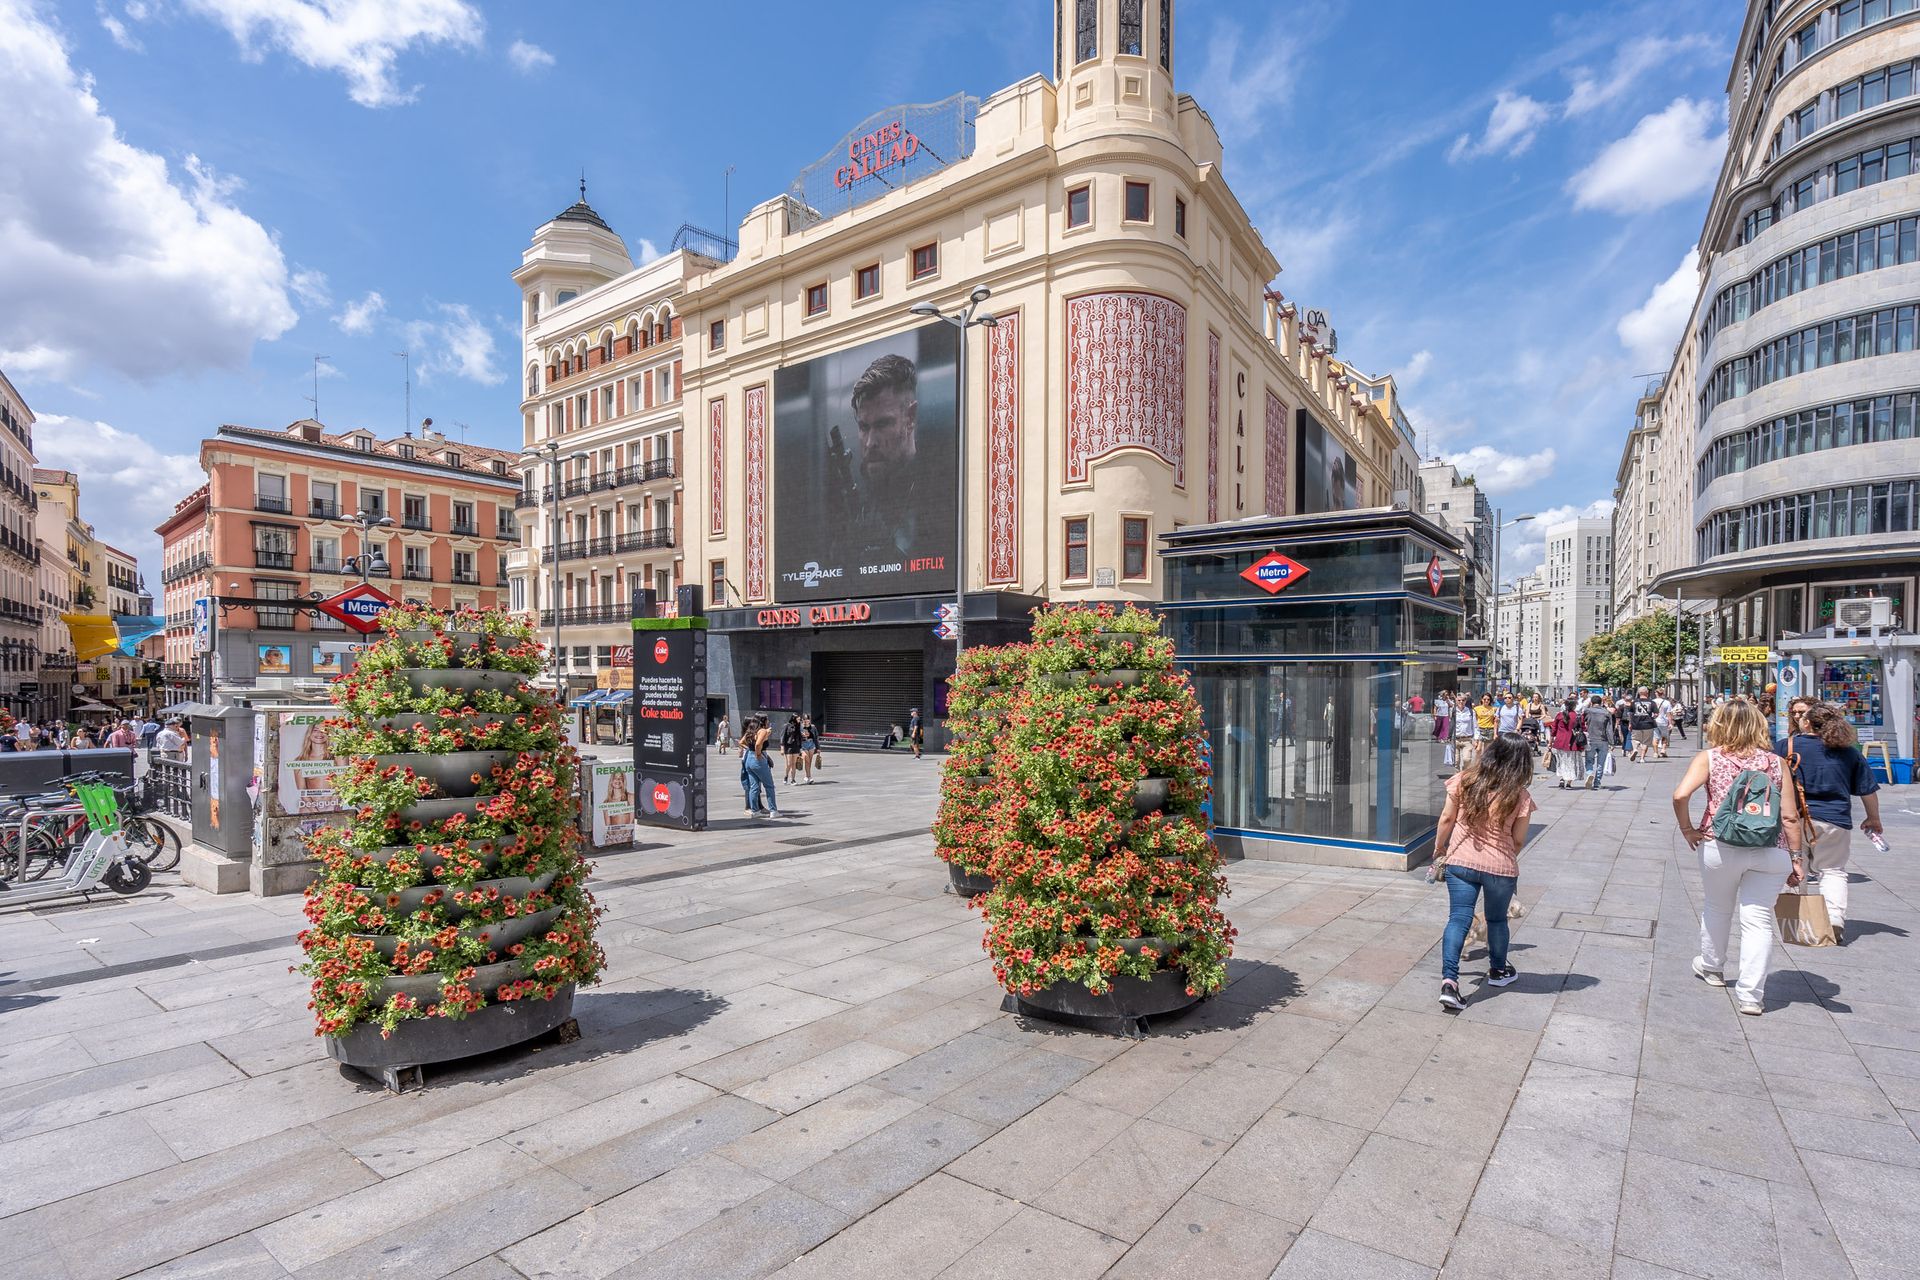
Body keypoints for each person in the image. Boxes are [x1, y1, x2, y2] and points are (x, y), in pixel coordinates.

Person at [1673, 697, 1803, 1013]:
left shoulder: (1710, 758)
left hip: (1720, 844)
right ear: (1759, 726)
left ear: (1718, 725)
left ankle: (1712, 967)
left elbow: (1680, 794)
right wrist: (1797, 859)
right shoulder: (1776, 763)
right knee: (1758, 921)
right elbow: (1789, 816)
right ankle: (1751, 996)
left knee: (1717, 907)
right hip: (1770, 849)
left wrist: (1688, 829)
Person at [1433, 732, 1536, 1010]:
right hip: (1500, 866)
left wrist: (1439, 848)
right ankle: (1498, 971)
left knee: (1458, 919)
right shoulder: (1520, 796)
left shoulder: (1465, 781)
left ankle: (1449, 983)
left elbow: (1446, 818)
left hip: (1461, 863)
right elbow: (1517, 840)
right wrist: (1503, 858)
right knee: (1497, 921)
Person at [1777, 700, 1882, 944]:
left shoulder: (1786, 746)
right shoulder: (1848, 752)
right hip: (1835, 819)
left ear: (1806, 722)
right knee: (1833, 870)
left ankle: (1796, 920)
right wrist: (1873, 817)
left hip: (1793, 817)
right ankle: (1834, 919)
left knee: (1793, 867)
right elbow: (1867, 790)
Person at [739, 716, 781, 819]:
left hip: (749, 759)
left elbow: (741, 742)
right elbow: (758, 744)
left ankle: (755, 811)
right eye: (767, 719)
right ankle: (773, 810)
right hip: (758, 760)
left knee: (754, 787)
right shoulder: (762, 731)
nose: (769, 721)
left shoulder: (751, 730)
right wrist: (758, 754)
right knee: (769, 786)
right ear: (763, 721)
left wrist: (750, 749)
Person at [1549, 697, 1584, 788]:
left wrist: (1550, 741)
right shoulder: (1577, 716)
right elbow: (1582, 728)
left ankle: (1562, 779)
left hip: (1560, 742)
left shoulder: (1560, 715)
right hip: (1572, 742)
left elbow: (1554, 729)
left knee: (1562, 761)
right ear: (1575, 706)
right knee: (1571, 762)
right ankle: (1568, 782)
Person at [1583, 695, 1616, 789]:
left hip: (1590, 739)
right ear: (1601, 702)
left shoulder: (1587, 711)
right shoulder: (1606, 713)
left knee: (1589, 760)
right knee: (1601, 763)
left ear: (1591, 703)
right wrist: (1612, 742)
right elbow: (1609, 729)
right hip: (1603, 740)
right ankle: (1597, 782)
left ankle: (1589, 773)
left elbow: (1582, 722)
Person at [1627, 687, 1657, 762]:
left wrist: (1630, 723)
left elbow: (1630, 714)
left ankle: (1635, 749)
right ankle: (1642, 758)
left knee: (1634, 739)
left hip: (1636, 724)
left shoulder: (1634, 702)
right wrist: (1652, 717)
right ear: (1647, 693)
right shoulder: (1652, 702)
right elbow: (1656, 714)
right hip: (1648, 724)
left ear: (1639, 693)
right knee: (1646, 742)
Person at [781, 715, 804, 784]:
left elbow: (800, 738)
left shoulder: (799, 726)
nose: (799, 720)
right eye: (798, 719)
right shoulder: (787, 726)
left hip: (796, 746)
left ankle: (793, 780)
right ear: (794, 719)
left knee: (794, 764)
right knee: (789, 764)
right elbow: (782, 736)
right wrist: (782, 747)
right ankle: (786, 776)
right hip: (788, 747)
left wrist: (800, 748)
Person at [799, 715, 819, 784]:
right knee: (806, 759)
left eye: (807, 719)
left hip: (811, 744)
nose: (805, 721)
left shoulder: (813, 727)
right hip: (803, 744)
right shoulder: (800, 727)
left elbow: (816, 738)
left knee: (809, 761)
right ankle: (809, 776)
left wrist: (818, 748)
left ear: (809, 720)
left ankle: (807, 776)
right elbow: (797, 738)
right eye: (804, 719)